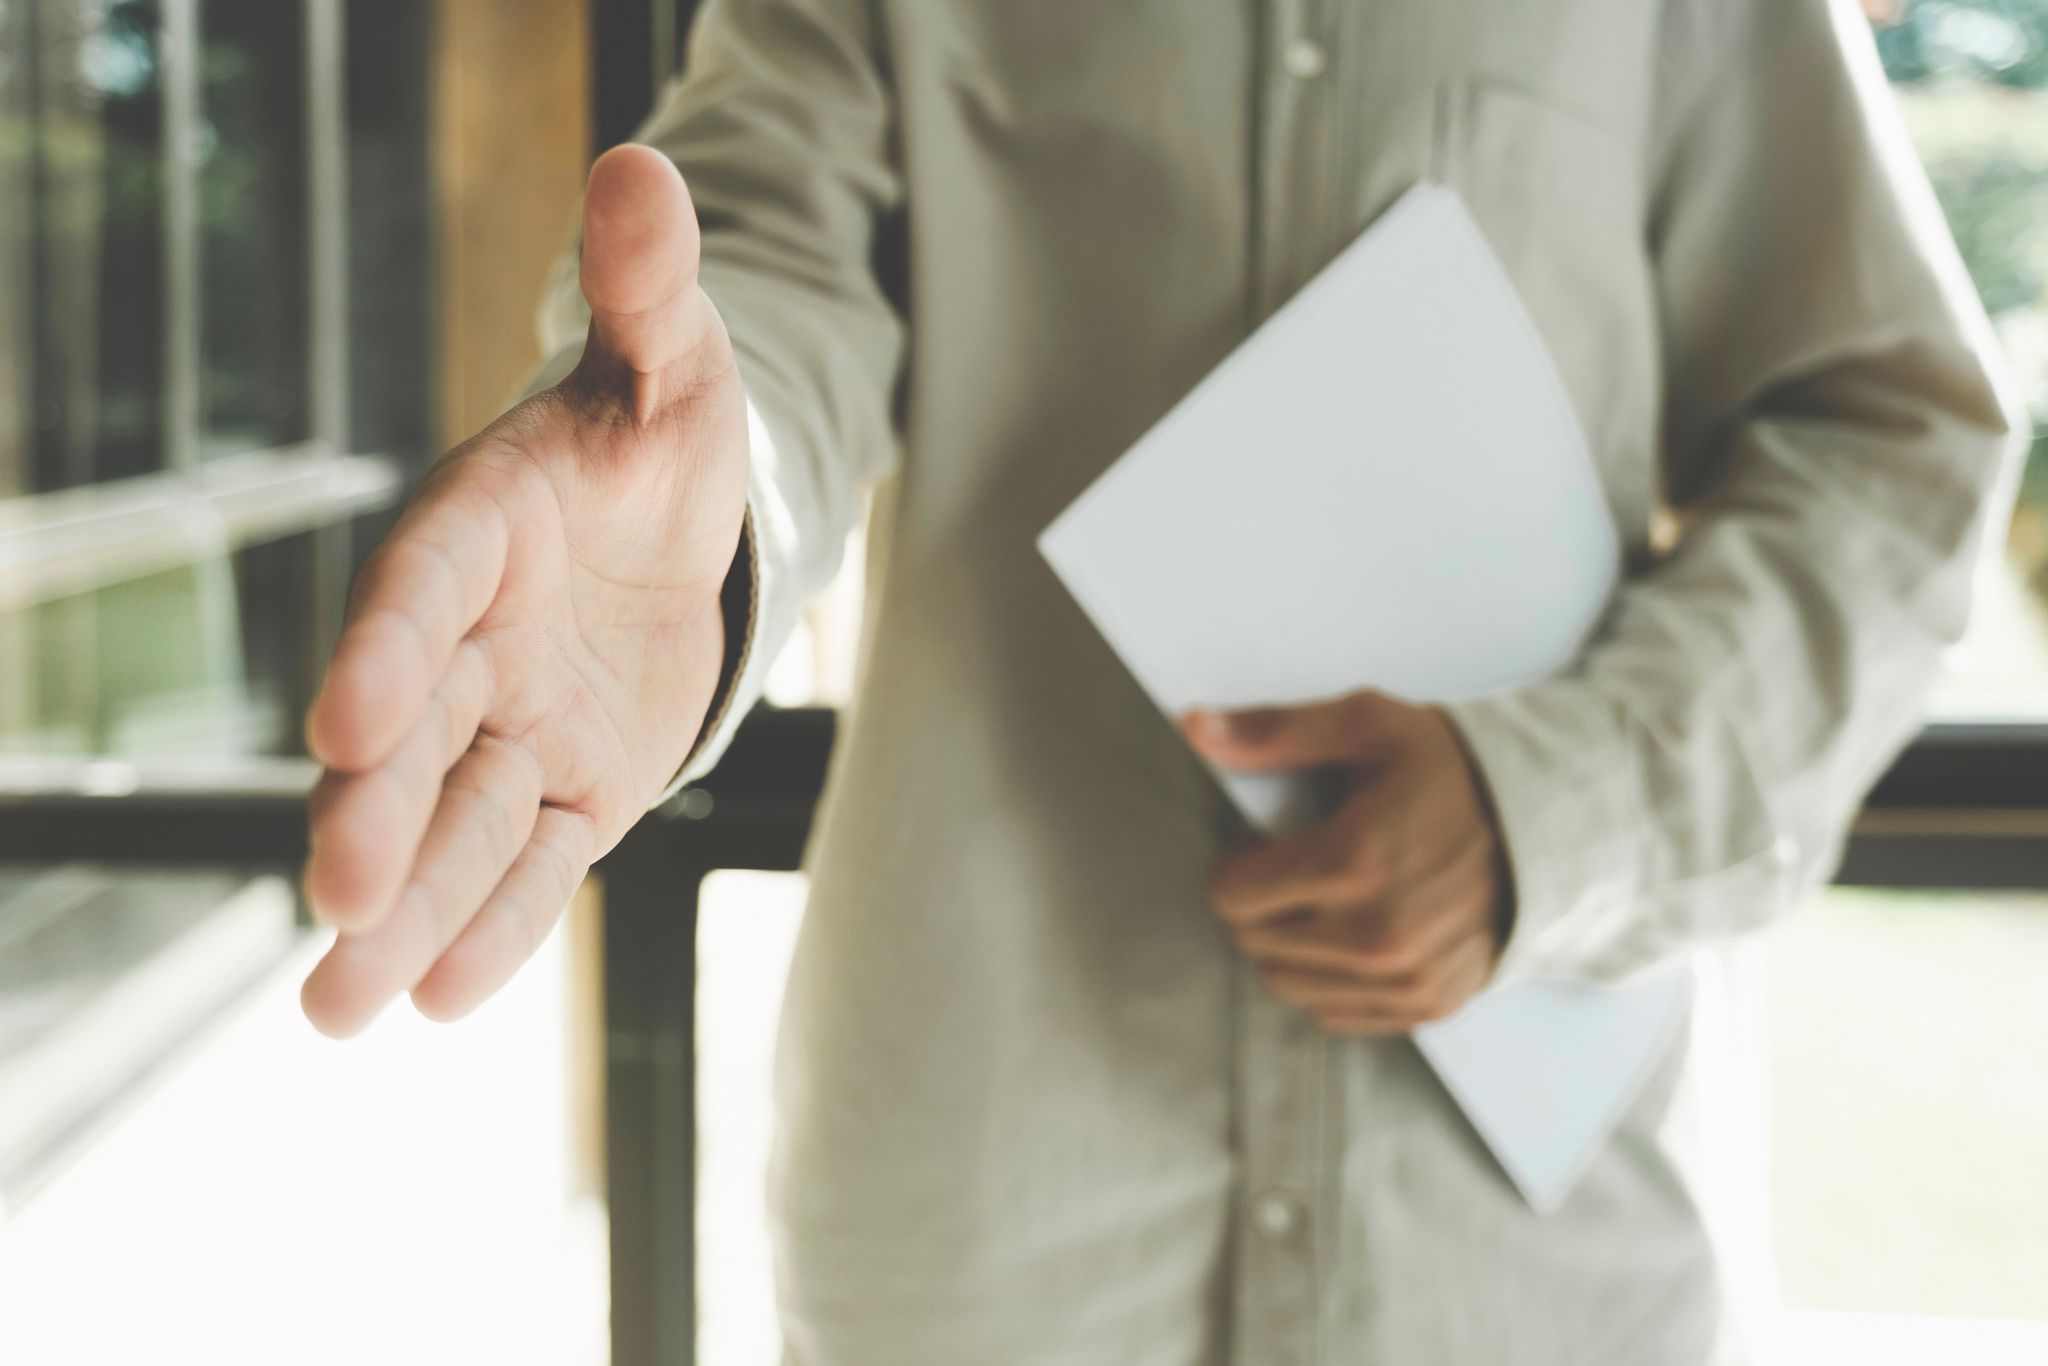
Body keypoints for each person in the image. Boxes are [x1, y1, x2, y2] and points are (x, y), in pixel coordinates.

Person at [296, 0, 2023, 1361]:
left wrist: (1563, 803)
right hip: (987, 1246)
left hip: (1542, 1272)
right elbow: (766, 258)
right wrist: (707, 487)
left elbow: (1890, 435)